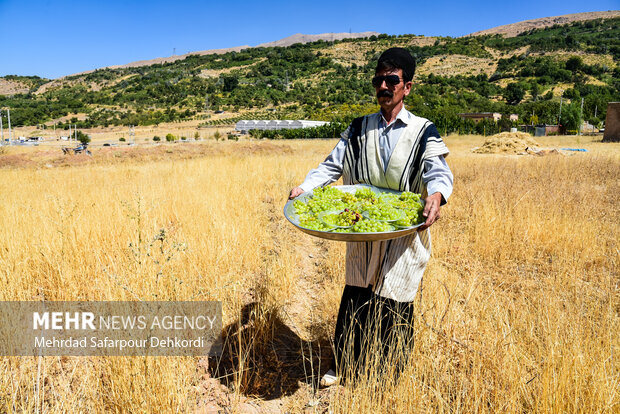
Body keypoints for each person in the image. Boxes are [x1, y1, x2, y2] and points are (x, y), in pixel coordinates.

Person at [288, 47, 453, 386]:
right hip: (362, 226)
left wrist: (435, 195)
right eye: (379, 79)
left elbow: (438, 171)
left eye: (392, 79)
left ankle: (389, 375)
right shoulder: (359, 128)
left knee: (396, 299)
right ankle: (344, 363)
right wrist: (306, 187)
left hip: (402, 230)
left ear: (407, 87)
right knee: (357, 293)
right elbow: (331, 165)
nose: (384, 86)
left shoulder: (424, 130)